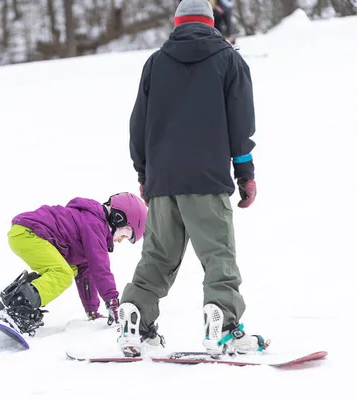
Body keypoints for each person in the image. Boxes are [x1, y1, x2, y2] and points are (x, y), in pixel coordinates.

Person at [117, 0, 266, 357]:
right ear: (212, 22)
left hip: (163, 180)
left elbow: (138, 125)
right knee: (218, 257)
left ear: (177, 23)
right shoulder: (229, 60)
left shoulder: (155, 63)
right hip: (207, 178)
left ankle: (135, 316)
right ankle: (224, 324)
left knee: (157, 256)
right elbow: (240, 123)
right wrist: (244, 172)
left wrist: (144, 173)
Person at [0, 192, 148, 336]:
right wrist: (113, 303)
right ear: (118, 218)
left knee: (70, 269)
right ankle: (19, 308)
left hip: (23, 233)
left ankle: (12, 301)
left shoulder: (90, 223)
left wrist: (92, 311)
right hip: (31, 233)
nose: (120, 240)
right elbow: (100, 268)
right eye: (125, 234)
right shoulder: (95, 224)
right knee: (63, 273)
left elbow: (86, 275)